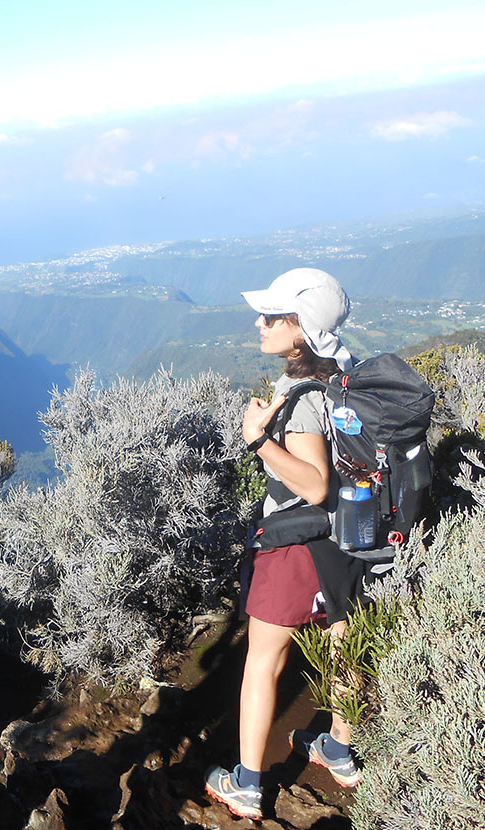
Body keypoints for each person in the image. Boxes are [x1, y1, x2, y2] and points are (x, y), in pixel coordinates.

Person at [204, 268, 363, 820]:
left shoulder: (298, 396)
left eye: (273, 316)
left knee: (263, 662)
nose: (260, 322)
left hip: (297, 541)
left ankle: (247, 784)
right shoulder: (348, 371)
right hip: (349, 537)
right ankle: (337, 749)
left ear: (301, 328)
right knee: (344, 647)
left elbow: (314, 484)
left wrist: (257, 441)